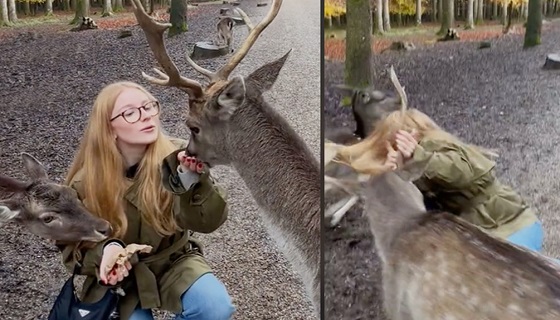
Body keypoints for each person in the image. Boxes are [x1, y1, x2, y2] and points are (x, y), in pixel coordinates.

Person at [56, 81, 235, 320]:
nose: (146, 116)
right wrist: (105, 253)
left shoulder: (179, 155)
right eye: (130, 113)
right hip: (119, 279)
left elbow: (209, 223)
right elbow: (70, 248)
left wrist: (193, 184)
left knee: (215, 307)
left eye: (149, 106)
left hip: (174, 261)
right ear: (109, 128)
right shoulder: (84, 183)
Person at [336, 108, 544, 253]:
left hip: (512, 226)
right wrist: (402, 170)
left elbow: (462, 172)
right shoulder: (420, 161)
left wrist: (417, 156)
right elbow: (430, 205)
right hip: (486, 233)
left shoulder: (436, 143)